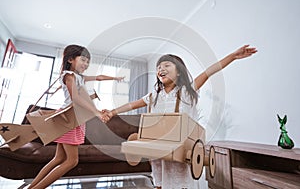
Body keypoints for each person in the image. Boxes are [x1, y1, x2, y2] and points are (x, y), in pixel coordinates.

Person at [102, 45, 257, 189]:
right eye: (159, 67)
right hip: (159, 149)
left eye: (167, 65)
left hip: (180, 148)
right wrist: (112, 112)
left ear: (179, 71)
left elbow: (208, 72)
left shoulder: (187, 91)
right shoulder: (155, 95)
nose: (161, 69)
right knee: (159, 179)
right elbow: (133, 104)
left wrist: (233, 56)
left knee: (180, 179)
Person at [28, 44, 124, 189]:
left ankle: (32, 187)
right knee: (71, 161)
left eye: (88, 62)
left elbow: (98, 77)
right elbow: (76, 98)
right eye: (83, 60)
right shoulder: (69, 75)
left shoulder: (78, 77)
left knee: (59, 158)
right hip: (70, 118)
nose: (86, 64)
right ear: (71, 59)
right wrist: (96, 112)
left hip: (73, 118)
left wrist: (115, 78)